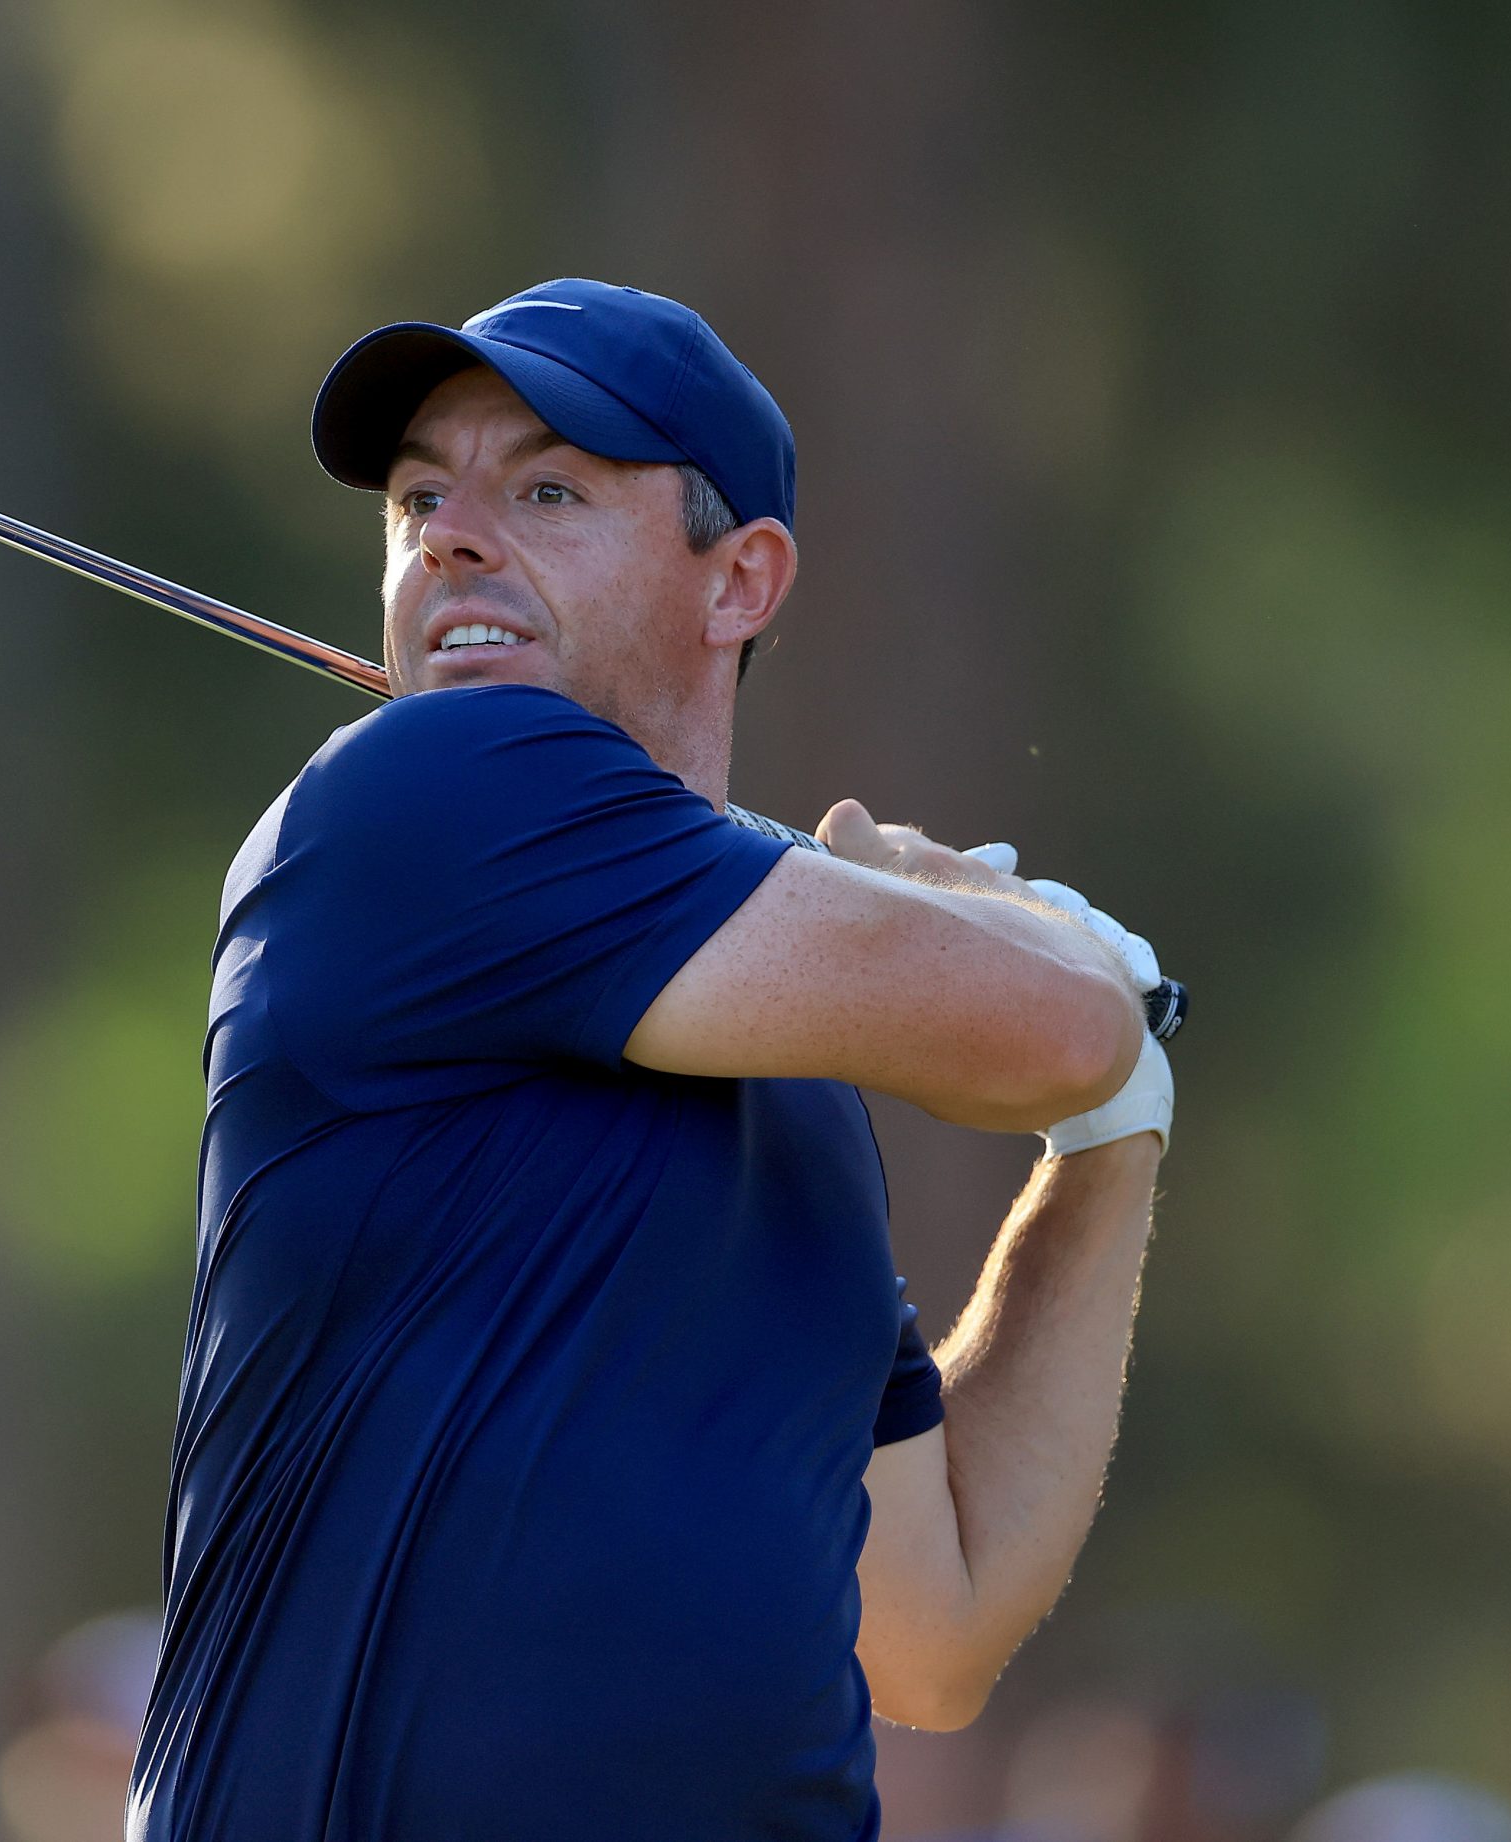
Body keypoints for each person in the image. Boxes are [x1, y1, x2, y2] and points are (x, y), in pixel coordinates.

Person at [127, 280, 1175, 1840]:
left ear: (741, 578)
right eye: (423, 495)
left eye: (545, 488)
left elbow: (936, 1620)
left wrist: (1115, 1136)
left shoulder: (793, 1089)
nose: (453, 535)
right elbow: (1062, 1023)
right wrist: (1066, 963)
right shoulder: (425, 791)